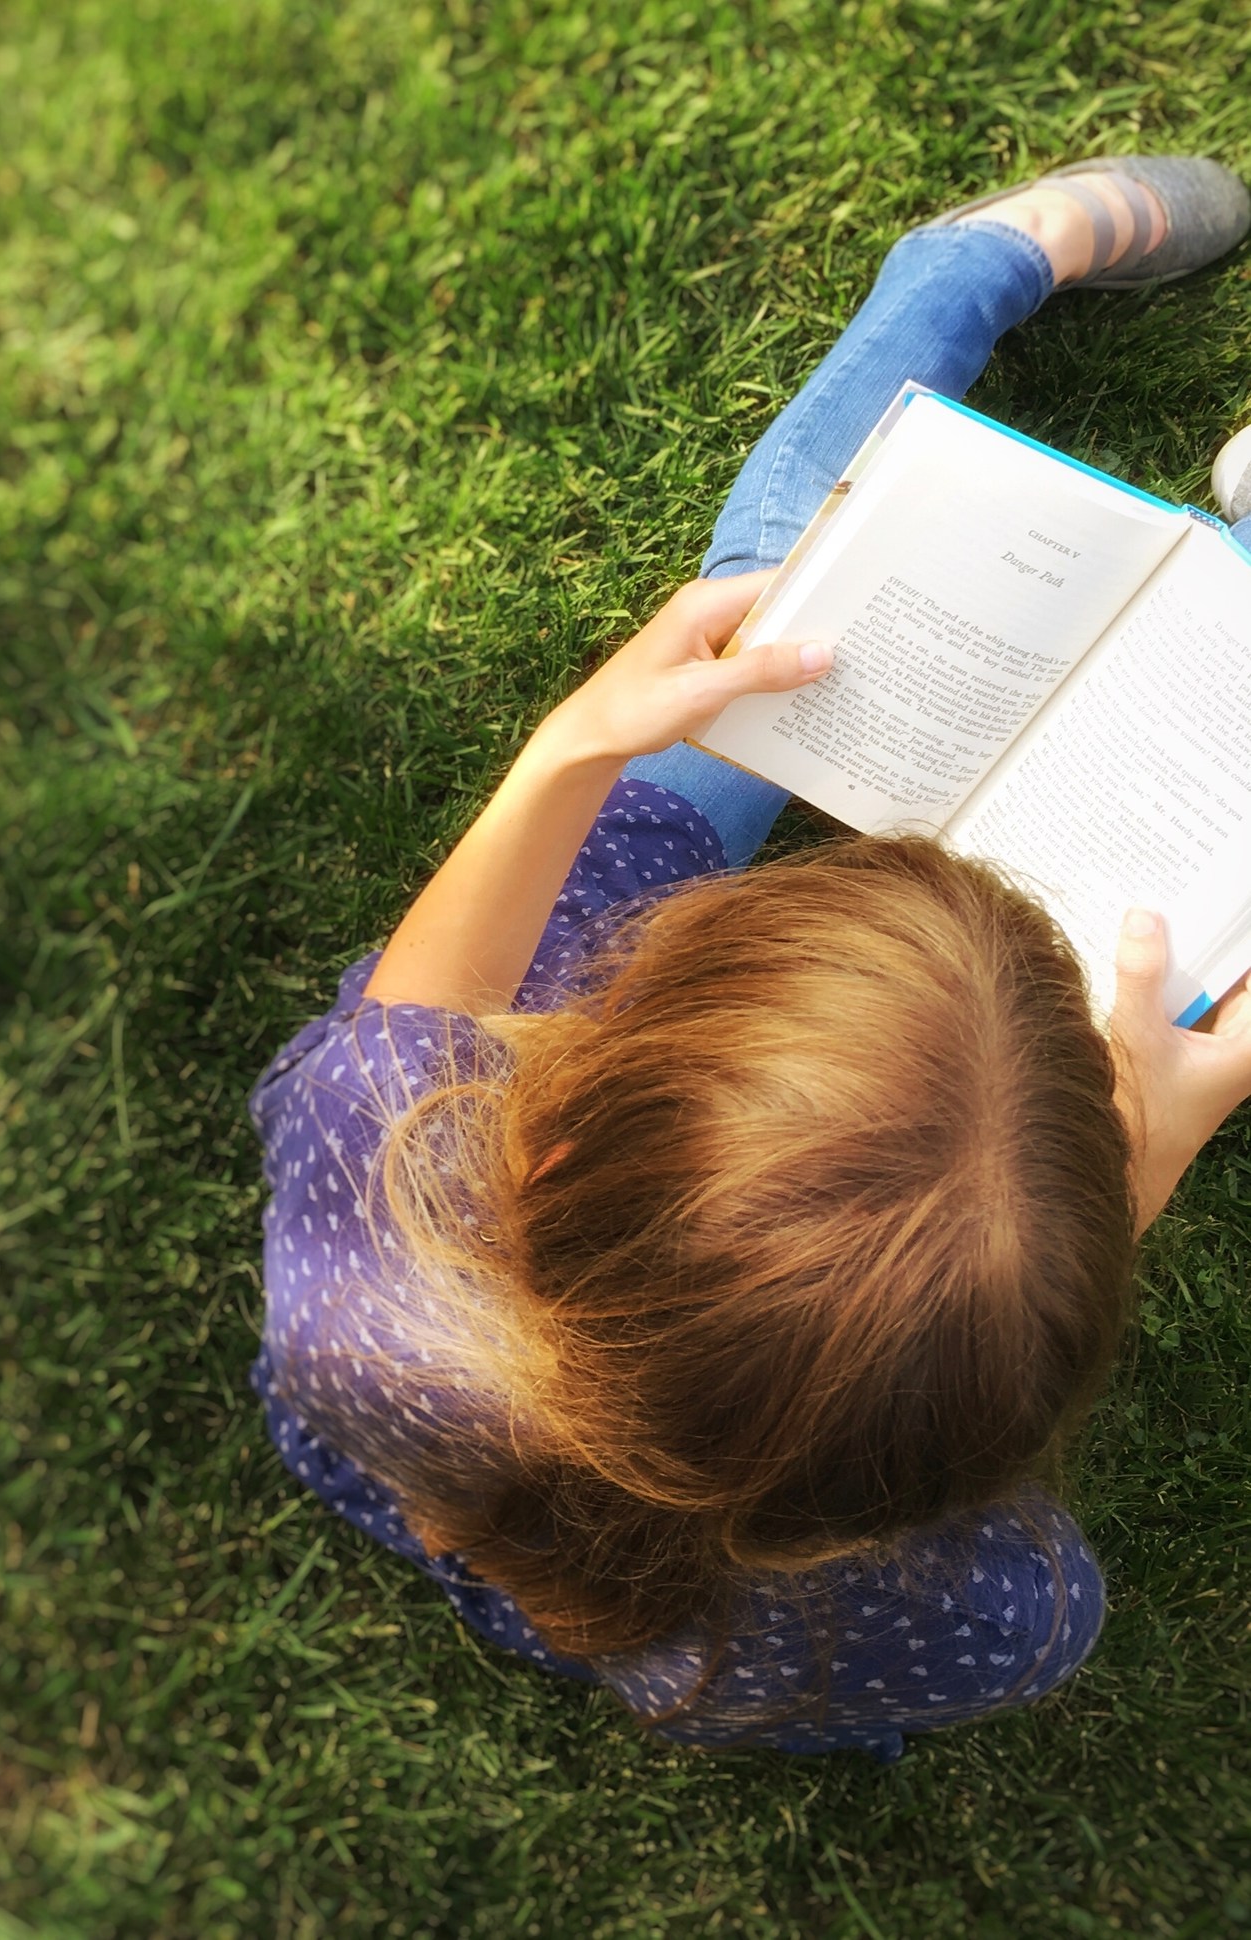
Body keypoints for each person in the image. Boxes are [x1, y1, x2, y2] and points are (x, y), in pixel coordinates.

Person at [248, 156, 1251, 1761]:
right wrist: (1155, 1141)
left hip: (461, 1439)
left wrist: (569, 757)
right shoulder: (1010, 1622)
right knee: (812, 612)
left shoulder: (377, 1249)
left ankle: (974, 267)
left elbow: (410, 1023)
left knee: (781, 616)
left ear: (555, 1125)